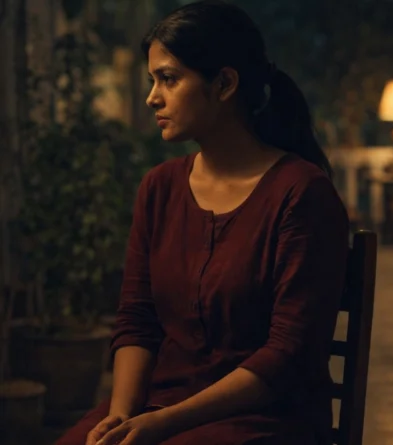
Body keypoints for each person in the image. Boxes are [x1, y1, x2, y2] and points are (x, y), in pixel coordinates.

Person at [55, 1, 349, 444]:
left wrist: (163, 424)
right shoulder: (160, 187)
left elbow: (288, 355)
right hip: (157, 406)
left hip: (262, 417)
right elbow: (137, 319)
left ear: (224, 83)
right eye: (153, 80)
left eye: (169, 79)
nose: (153, 97)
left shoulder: (301, 193)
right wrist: (120, 416)